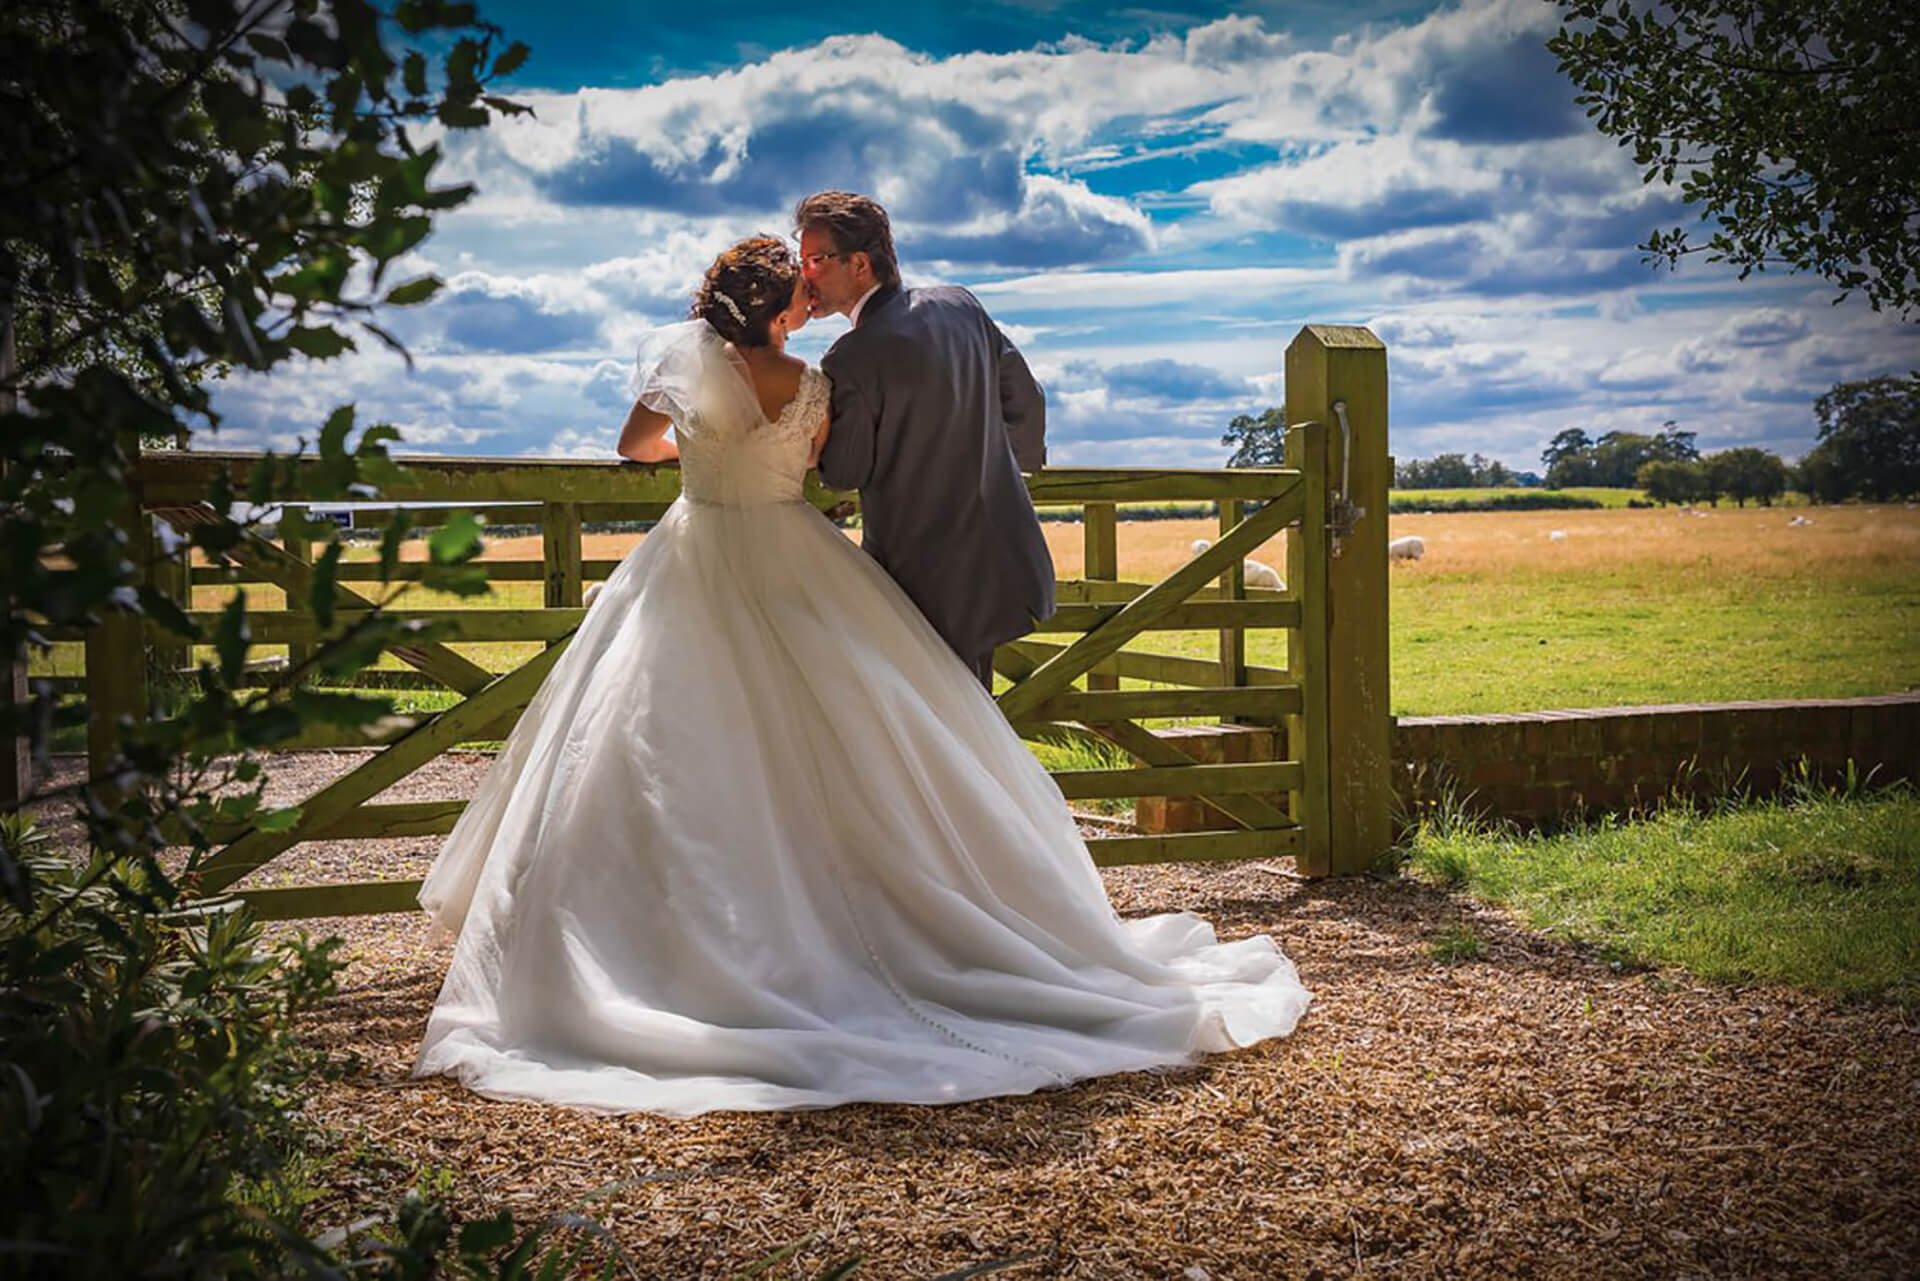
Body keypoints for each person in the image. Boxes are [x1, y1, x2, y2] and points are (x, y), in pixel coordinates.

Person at [412, 236, 1309, 1117]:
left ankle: (655, 941)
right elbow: (818, 464)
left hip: (691, 555)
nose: (809, 300)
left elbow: (636, 447)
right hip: (797, 557)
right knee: (845, 734)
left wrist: (693, 414)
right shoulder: (810, 384)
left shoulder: (690, 368)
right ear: (777, 310)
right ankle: (854, 922)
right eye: (797, 291)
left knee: (654, 746)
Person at [798, 190, 1055, 688]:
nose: (805, 274)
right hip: (999, 558)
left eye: (815, 259)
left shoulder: (850, 358)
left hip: (917, 584)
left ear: (859, 264)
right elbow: (1025, 399)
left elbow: (845, 472)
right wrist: (1004, 466)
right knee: (972, 727)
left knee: (941, 733)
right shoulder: (959, 305)